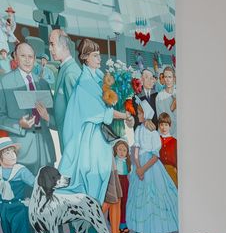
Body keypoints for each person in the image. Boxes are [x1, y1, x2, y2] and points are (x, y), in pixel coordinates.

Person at [57, 38, 131, 202]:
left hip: (99, 138)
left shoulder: (98, 77)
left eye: (99, 55)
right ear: (85, 57)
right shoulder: (85, 82)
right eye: (95, 56)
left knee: (104, 184)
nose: (99, 59)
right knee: (93, 179)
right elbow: (102, 112)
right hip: (90, 140)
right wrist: (125, 115)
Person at [0, 42, 55, 176]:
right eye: (23, 56)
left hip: (46, 151)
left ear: (35, 58)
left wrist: (48, 118)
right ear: (15, 58)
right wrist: (19, 124)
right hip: (21, 153)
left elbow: (55, 118)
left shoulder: (43, 83)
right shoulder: (5, 82)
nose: (27, 60)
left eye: (30, 56)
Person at [127, 100, 178, 233]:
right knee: (140, 198)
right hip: (140, 166)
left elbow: (156, 155)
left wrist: (143, 168)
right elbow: (136, 150)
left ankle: (165, 226)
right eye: (137, 113)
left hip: (151, 166)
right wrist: (137, 167)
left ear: (146, 113)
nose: (138, 115)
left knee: (158, 196)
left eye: (139, 113)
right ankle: (140, 228)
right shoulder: (138, 130)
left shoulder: (154, 132)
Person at [0, 137, 35, 233]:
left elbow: (34, 183)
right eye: (7, 152)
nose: (12, 155)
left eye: (13, 151)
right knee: (8, 230)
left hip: (18, 207)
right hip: (3, 206)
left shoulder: (21, 170)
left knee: (18, 232)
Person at [48, 28, 81, 154]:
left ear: (64, 45)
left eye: (52, 44)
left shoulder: (70, 73)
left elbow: (78, 114)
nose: (50, 49)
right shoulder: (64, 69)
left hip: (73, 146)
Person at [113, 139, 131, 233]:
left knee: (124, 203)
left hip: (124, 182)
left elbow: (129, 173)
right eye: (119, 149)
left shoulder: (126, 161)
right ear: (115, 150)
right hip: (116, 182)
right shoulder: (113, 161)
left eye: (124, 150)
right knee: (117, 203)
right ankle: (117, 226)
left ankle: (123, 223)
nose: (122, 152)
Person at [155, 66, 177, 137]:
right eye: (165, 77)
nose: (167, 80)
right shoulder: (160, 96)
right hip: (166, 135)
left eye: (170, 77)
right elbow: (161, 118)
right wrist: (172, 107)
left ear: (174, 78)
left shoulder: (179, 94)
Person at [158, 111, 177, 187]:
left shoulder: (174, 141)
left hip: (172, 170)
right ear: (159, 126)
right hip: (160, 170)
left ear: (170, 126)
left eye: (166, 125)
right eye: (161, 125)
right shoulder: (157, 140)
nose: (164, 127)